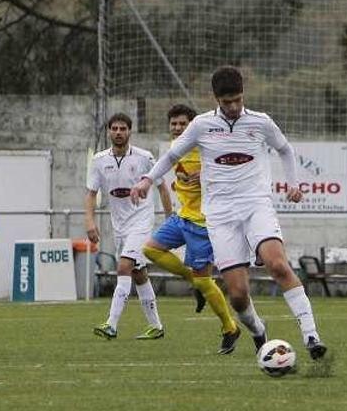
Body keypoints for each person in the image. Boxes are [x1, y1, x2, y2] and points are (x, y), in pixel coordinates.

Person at [131, 66, 328, 361]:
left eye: (237, 100)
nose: (233, 107)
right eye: (227, 102)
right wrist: (147, 180)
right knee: (237, 295)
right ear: (216, 100)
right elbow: (172, 155)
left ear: (243, 95)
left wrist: (294, 184)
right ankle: (259, 331)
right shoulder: (200, 125)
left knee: (278, 265)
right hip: (220, 216)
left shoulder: (260, 123)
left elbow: (285, 150)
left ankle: (312, 337)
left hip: (256, 205)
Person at [141, 104, 241, 354]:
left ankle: (230, 328)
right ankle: (191, 280)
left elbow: (229, 169)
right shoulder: (174, 149)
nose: (177, 128)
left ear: (192, 125)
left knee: (205, 280)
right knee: (150, 250)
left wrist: (206, 174)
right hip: (181, 217)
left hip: (203, 223)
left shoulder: (206, 147)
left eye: (182, 124)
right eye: (173, 123)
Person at [87, 113, 173, 340]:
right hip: (120, 227)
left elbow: (163, 187)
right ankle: (156, 326)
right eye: (114, 128)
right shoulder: (99, 160)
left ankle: (111, 325)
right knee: (138, 272)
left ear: (129, 132)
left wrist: (169, 219)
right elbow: (91, 193)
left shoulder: (145, 157)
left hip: (141, 223)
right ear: (108, 131)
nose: (118, 132)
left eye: (122, 128)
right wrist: (89, 222)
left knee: (124, 267)